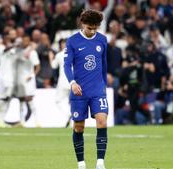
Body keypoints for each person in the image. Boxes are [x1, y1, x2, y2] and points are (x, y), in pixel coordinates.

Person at [64, 9, 108, 169]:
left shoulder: (102, 40)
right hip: (79, 91)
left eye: (95, 28)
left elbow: (104, 64)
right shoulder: (72, 41)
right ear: (83, 24)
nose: (93, 31)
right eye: (90, 28)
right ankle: (81, 164)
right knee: (79, 127)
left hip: (97, 89)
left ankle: (100, 163)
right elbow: (67, 65)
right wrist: (72, 83)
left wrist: (104, 84)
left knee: (102, 121)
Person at [15, 35, 40, 126]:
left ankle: (37, 121)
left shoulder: (32, 53)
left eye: (26, 41)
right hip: (20, 80)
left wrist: (32, 76)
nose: (24, 42)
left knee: (29, 99)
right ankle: (22, 122)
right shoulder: (19, 52)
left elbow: (37, 66)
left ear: (29, 42)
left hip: (28, 80)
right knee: (21, 100)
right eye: (23, 41)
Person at [50, 38, 71, 127]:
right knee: (71, 102)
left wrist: (50, 57)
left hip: (63, 82)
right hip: (73, 82)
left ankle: (68, 114)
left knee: (58, 101)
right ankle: (71, 117)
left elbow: (53, 66)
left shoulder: (59, 55)